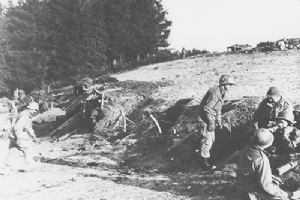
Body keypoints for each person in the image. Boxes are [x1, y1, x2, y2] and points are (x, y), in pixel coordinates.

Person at [235, 128, 300, 200]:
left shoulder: (247, 148)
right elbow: (266, 186)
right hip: (250, 192)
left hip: (242, 185)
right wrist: (286, 194)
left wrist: (270, 177)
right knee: (284, 197)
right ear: (269, 144)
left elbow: (253, 170)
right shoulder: (261, 159)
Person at [198, 75, 236, 170]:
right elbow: (207, 108)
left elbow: (218, 109)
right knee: (207, 139)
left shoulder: (222, 92)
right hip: (204, 117)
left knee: (212, 138)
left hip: (210, 116)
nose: (230, 87)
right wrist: (211, 122)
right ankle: (203, 163)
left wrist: (218, 121)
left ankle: (207, 157)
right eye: (229, 84)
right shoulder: (215, 92)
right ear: (224, 84)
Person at [5, 102, 39, 170]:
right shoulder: (25, 115)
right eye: (35, 110)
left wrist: (33, 136)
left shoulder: (26, 114)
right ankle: (28, 165)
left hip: (13, 135)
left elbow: (28, 127)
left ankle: (7, 165)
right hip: (17, 135)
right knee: (26, 148)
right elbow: (17, 127)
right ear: (31, 109)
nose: (35, 112)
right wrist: (19, 138)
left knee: (14, 148)